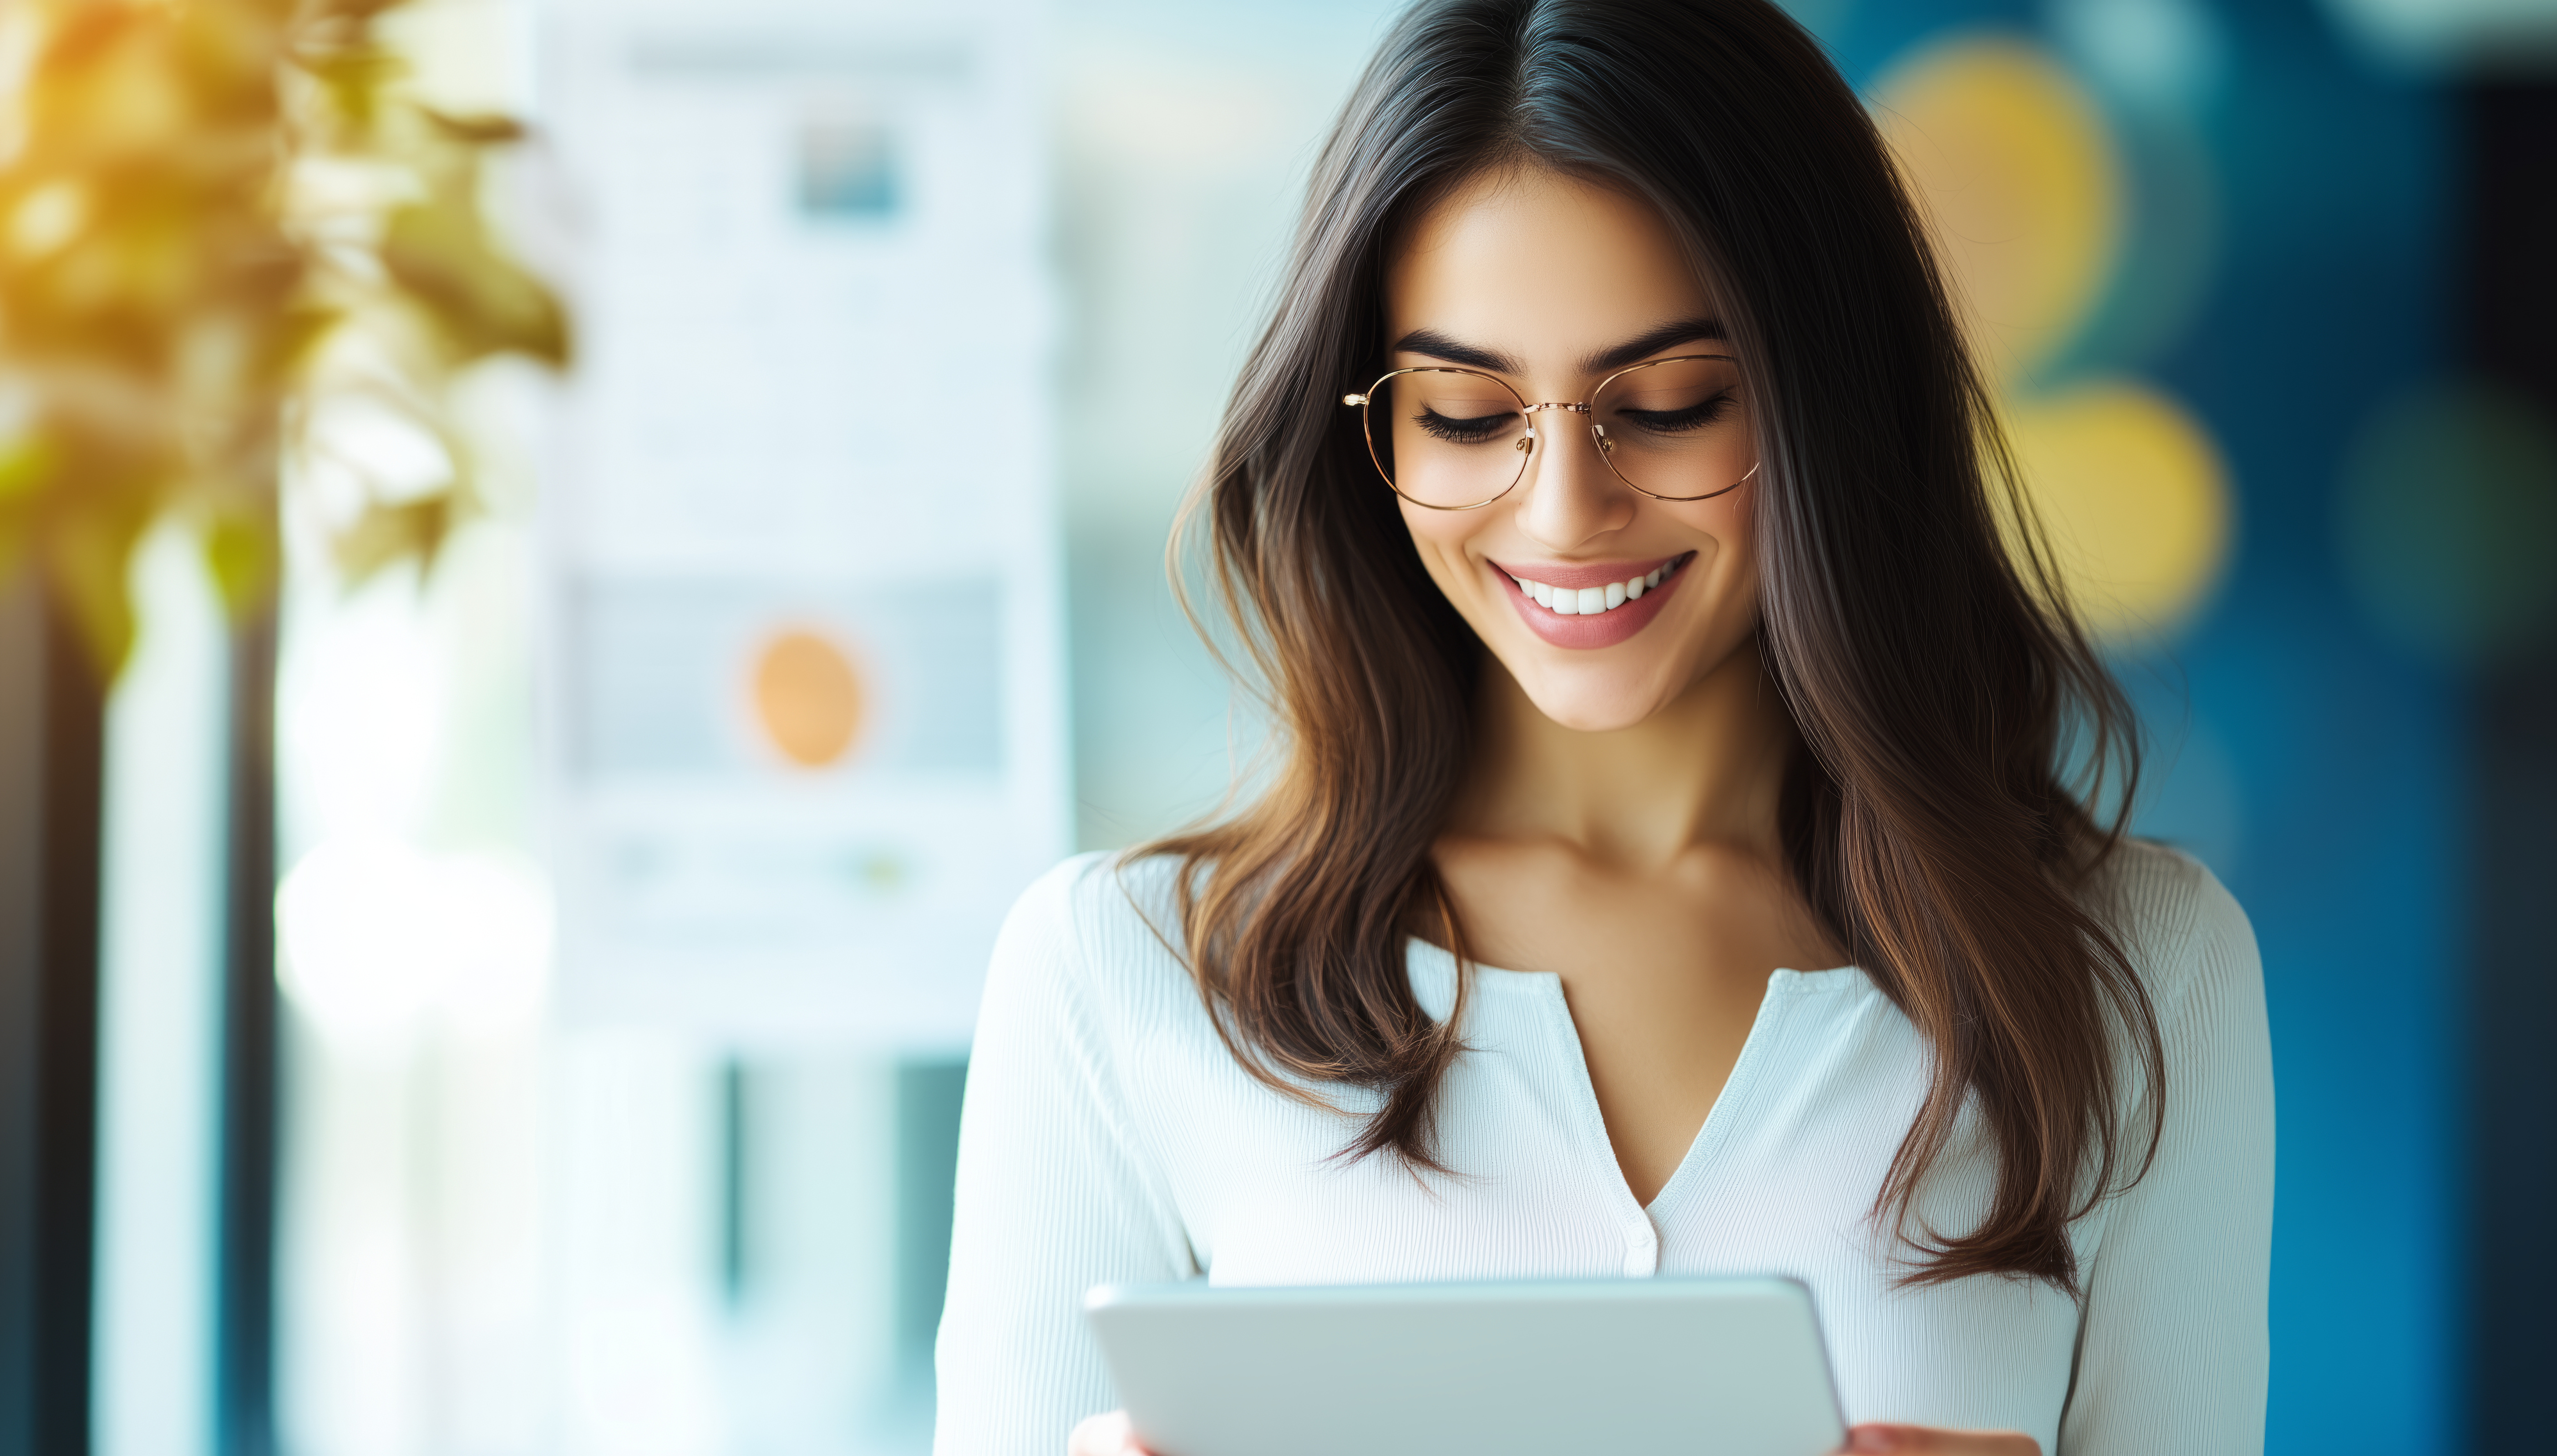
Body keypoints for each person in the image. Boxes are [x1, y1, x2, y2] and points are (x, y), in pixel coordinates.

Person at [934, 0, 2273, 1451]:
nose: (1566, 509)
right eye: (1460, 411)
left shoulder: (2134, 971)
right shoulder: (1120, 978)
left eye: (1675, 402)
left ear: (1830, 406)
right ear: (1372, 433)